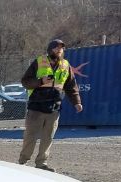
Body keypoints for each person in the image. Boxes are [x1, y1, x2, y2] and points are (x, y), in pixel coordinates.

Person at [18, 38, 82, 172]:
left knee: (48, 137)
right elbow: (25, 81)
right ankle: (23, 162)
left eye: (61, 48)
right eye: (56, 48)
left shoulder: (66, 65)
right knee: (30, 136)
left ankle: (42, 163)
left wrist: (77, 102)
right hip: (36, 107)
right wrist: (40, 81)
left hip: (54, 107)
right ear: (50, 49)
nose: (59, 50)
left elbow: (71, 86)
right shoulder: (39, 62)